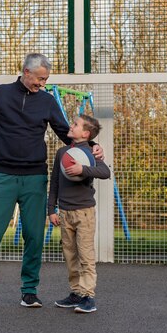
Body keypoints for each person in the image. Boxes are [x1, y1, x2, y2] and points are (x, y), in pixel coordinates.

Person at [0, 53, 103, 310]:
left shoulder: (47, 101)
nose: (42, 83)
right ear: (25, 72)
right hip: (3, 175)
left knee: (34, 236)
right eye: (39, 79)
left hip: (35, 178)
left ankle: (29, 291)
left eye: (45, 79)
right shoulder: (0, 95)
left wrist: (92, 147)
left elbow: (66, 132)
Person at [48, 114, 111, 313]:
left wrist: (82, 169)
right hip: (65, 212)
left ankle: (88, 296)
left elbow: (105, 172)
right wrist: (51, 210)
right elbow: (55, 183)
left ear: (85, 133)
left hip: (84, 212)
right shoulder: (62, 152)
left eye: (75, 124)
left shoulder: (92, 152)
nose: (70, 125)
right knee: (70, 255)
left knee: (85, 255)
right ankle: (75, 292)